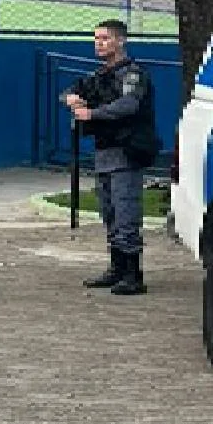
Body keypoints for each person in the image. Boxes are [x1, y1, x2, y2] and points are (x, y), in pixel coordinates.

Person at [65, 19, 158, 295]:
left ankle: (133, 274)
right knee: (110, 213)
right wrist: (71, 98)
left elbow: (128, 105)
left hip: (126, 152)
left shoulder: (132, 75)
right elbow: (71, 90)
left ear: (120, 41)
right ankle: (117, 267)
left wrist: (92, 114)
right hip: (104, 153)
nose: (99, 43)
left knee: (126, 212)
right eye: (96, 39)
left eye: (104, 39)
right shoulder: (100, 76)